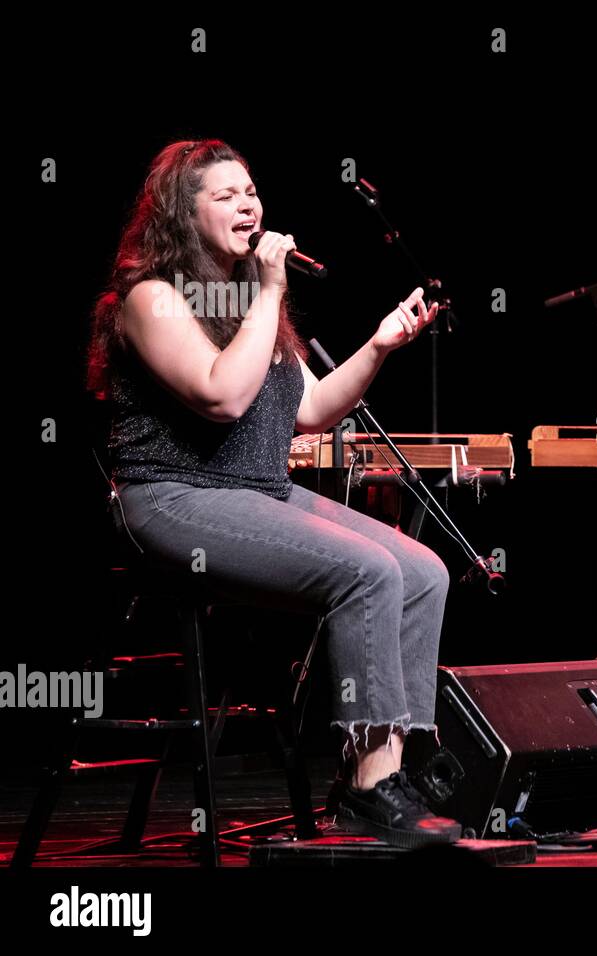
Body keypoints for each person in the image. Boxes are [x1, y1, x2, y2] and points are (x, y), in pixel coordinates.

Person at [87, 139, 460, 848]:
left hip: (255, 493)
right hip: (172, 498)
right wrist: (269, 292)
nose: (248, 205)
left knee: (423, 571)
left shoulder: (248, 302)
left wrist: (379, 346)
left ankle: (389, 771)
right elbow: (223, 398)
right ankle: (369, 789)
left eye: (250, 192)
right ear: (179, 213)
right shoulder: (150, 297)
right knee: (368, 570)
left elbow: (310, 409)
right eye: (225, 196)